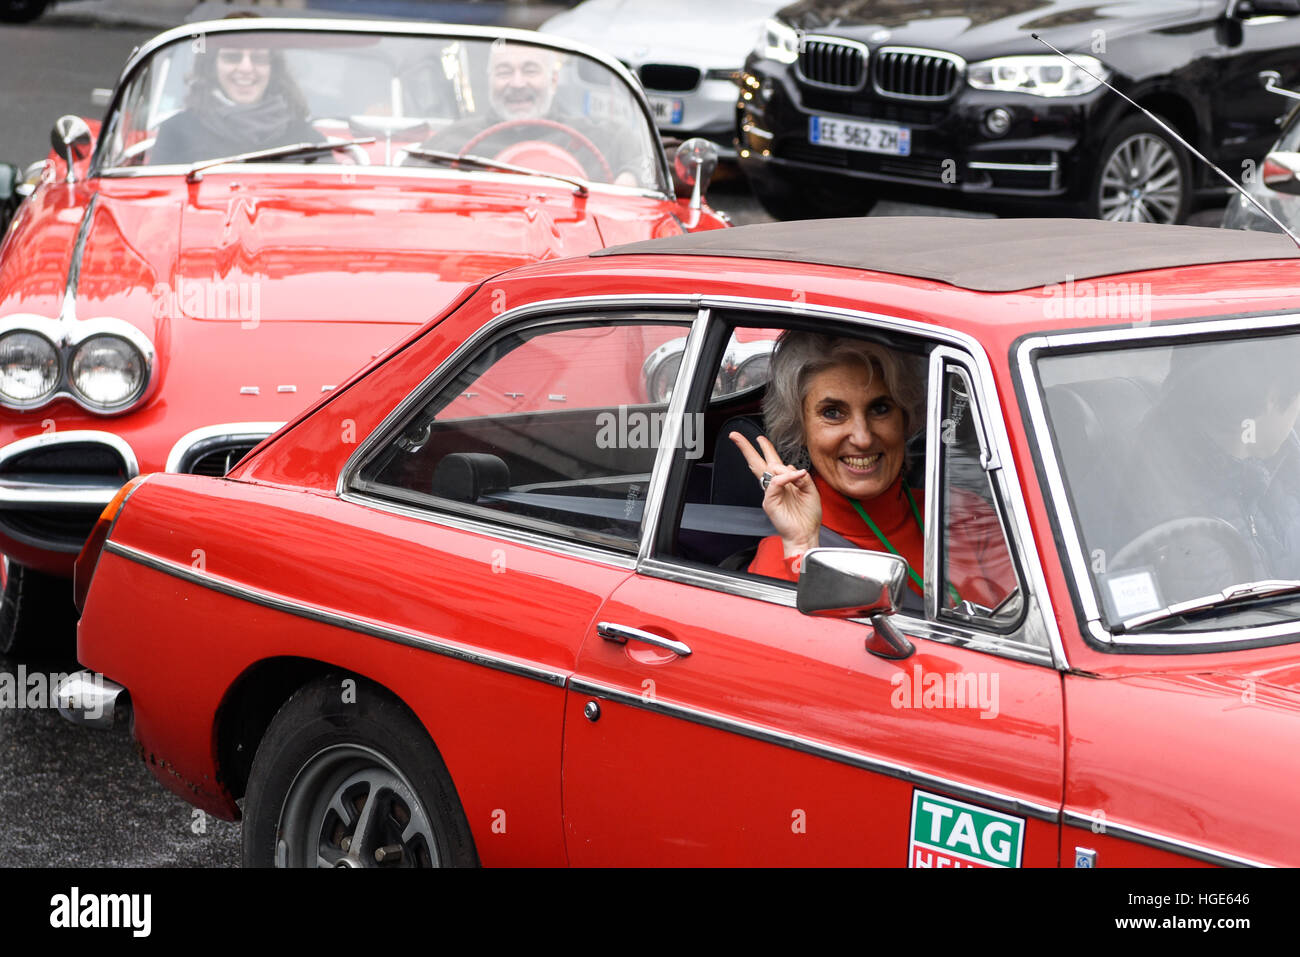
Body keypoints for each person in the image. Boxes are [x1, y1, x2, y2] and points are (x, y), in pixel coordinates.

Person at [729, 331, 1015, 610]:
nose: (863, 437)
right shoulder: (781, 556)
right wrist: (803, 550)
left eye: (880, 408)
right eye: (833, 413)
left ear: (905, 417)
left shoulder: (965, 514)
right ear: (800, 428)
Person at [416, 40, 644, 186]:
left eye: (530, 70)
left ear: (553, 81)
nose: (517, 83)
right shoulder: (453, 141)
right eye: (504, 72)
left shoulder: (602, 137)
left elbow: (656, 162)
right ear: (490, 81)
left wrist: (632, 176)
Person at [149, 34, 318, 166]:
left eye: (258, 58)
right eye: (232, 57)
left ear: (273, 69)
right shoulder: (177, 132)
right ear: (212, 67)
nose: (246, 68)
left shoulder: (306, 139)